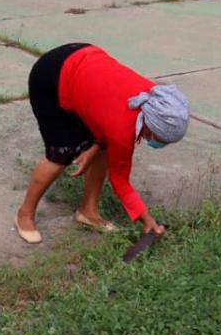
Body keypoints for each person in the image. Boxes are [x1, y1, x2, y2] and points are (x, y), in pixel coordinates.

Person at [15, 43, 189, 244]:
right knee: (61, 153)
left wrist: (96, 143)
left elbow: (103, 109)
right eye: (160, 139)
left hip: (85, 61)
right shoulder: (123, 127)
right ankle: (24, 214)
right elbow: (120, 180)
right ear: (150, 124)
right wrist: (146, 218)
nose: (160, 144)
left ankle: (88, 212)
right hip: (51, 76)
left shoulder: (155, 99)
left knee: (104, 148)